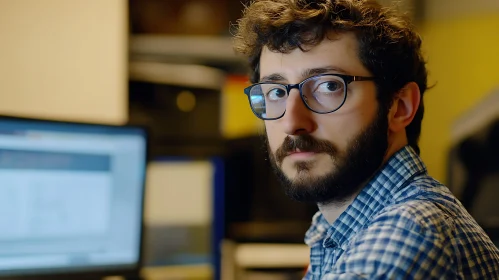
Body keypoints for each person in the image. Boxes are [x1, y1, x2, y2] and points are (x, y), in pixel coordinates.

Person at [232, 0, 499, 278]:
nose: (291, 122)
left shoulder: (407, 234)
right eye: (275, 92)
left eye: (329, 86)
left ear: (400, 107)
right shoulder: (338, 229)